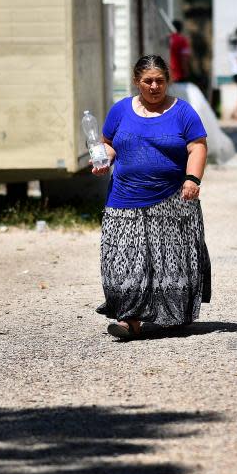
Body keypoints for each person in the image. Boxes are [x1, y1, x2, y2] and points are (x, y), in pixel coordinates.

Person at [91, 55, 211, 340]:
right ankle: (128, 320)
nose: (155, 86)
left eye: (160, 80)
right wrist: (103, 159)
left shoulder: (183, 112)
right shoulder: (120, 111)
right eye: (148, 81)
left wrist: (192, 179)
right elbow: (109, 145)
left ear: (167, 81)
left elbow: (197, 147)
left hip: (171, 198)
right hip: (123, 199)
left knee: (170, 261)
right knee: (123, 258)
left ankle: (170, 316)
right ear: (136, 82)